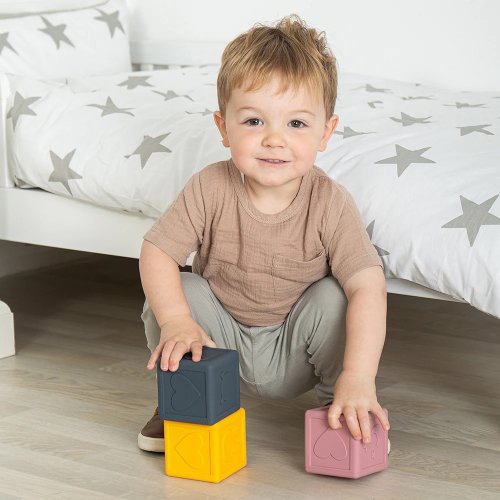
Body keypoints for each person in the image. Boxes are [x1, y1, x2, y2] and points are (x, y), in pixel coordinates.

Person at [138, 14, 390, 453]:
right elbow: (156, 251)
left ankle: (344, 406)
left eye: (296, 124)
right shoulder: (210, 186)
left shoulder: (330, 202)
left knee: (337, 295)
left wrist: (359, 376)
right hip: (215, 343)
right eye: (254, 121)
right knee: (180, 287)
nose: (274, 139)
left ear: (325, 132)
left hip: (295, 350)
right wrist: (177, 320)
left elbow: (369, 286)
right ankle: (182, 397)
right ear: (224, 128)